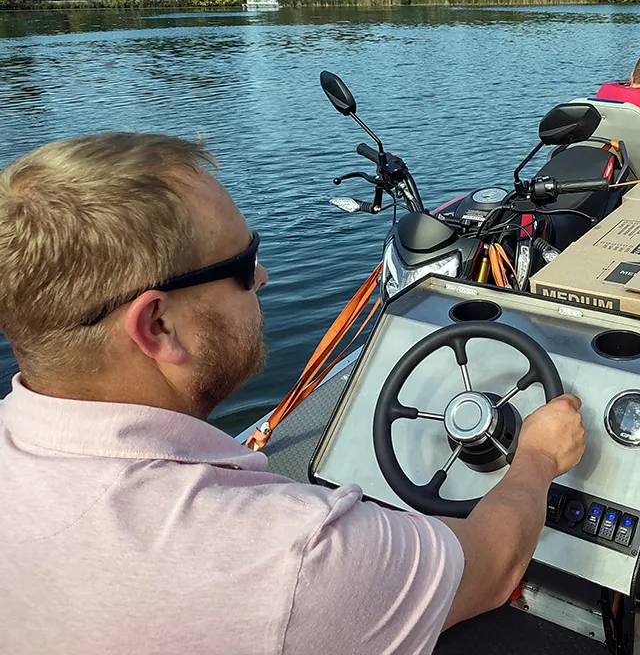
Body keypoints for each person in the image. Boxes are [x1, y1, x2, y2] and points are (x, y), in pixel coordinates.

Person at [0, 133, 587, 655]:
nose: (263, 277)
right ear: (158, 326)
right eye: (242, 263)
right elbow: (491, 567)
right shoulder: (294, 556)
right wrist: (537, 458)